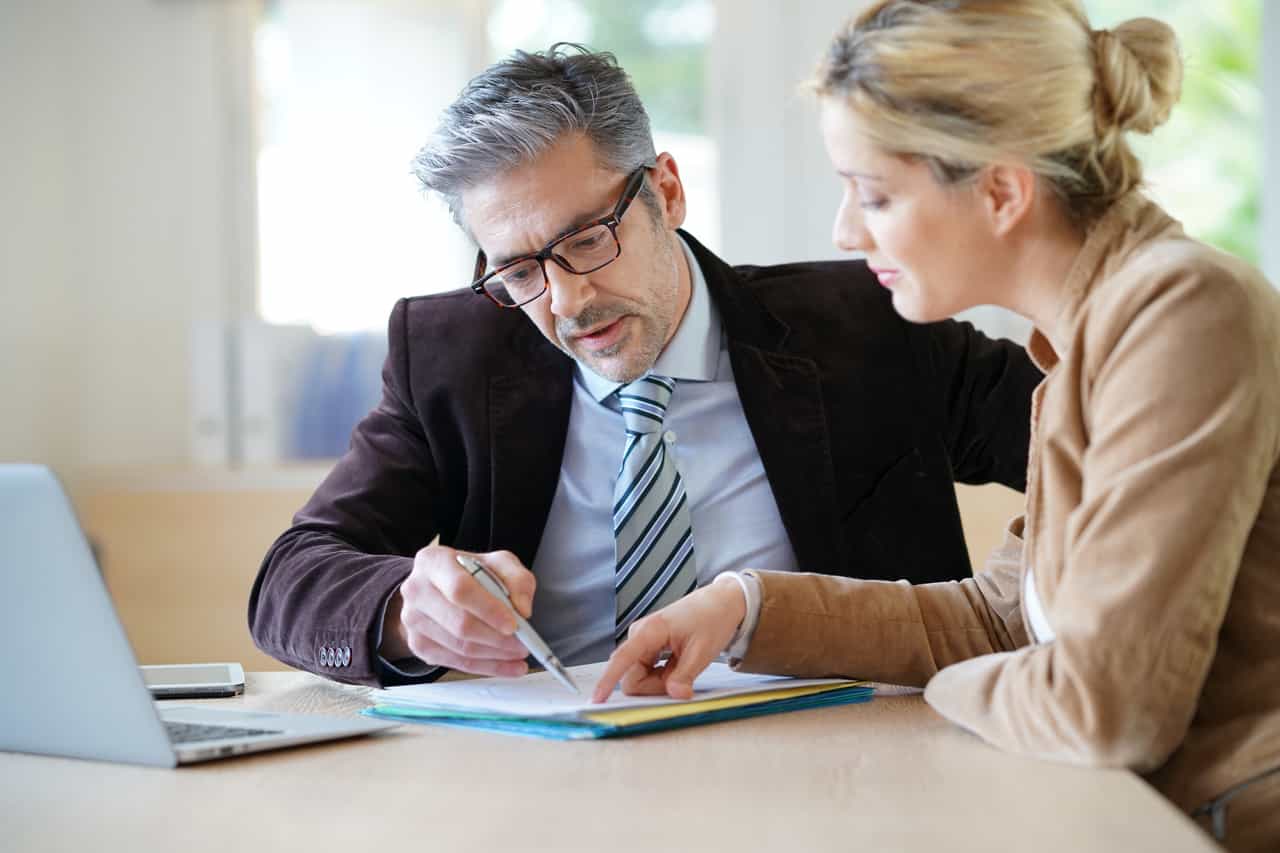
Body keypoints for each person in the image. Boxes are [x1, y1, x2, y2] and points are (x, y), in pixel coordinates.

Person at [593, 4, 1280, 850]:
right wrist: (744, 606)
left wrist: (946, 692)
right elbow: (1003, 618)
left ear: (1000, 190)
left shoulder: (1181, 312)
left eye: (873, 193)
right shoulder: (1087, 342)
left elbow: (1105, 710)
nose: (845, 231)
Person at [248, 44, 1041, 692]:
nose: (566, 300)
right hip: (551, 771)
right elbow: (291, 578)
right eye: (519, 271)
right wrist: (400, 610)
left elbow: (1105, 450)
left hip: (839, 760)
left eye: (588, 238)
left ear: (667, 190)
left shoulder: (867, 324)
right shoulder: (453, 354)